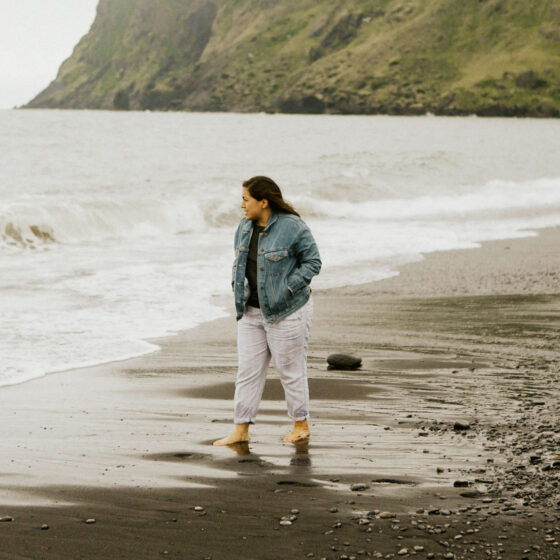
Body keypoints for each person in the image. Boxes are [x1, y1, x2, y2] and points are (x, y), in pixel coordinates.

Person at [213, 176, 321, 445]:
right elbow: (239, 263)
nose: (242, 205)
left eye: (245, 199)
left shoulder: (292, 227)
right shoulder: (244, 227)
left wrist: (287, 288)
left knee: (290, 370)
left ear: (264, 202)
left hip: (287, 312)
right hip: (250, 312)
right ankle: (241, 430)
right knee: (247, 371)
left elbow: (313, 262)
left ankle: (300, 425)